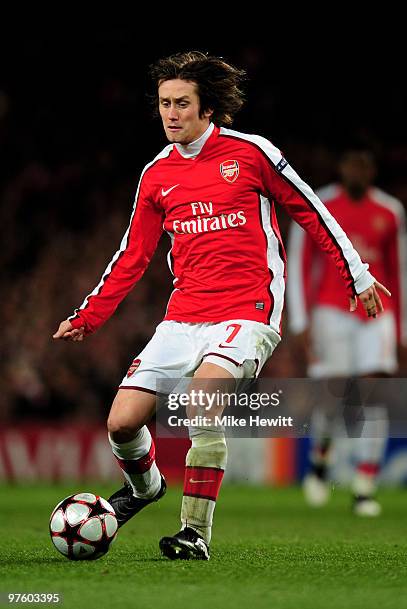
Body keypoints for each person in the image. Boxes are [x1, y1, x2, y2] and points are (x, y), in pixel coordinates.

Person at [53, 52, 390, 560]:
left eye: (182, 104)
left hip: (248, 308)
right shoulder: (157, 174)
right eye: (164, 103)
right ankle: (145, 489)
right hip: (183, 314)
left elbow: (310, 211)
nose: (171, 113)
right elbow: (133, 255)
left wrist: (356, 273)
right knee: (122, 422)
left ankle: (194, 533)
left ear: (206, 107)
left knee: (202, 398)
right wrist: (88, 316)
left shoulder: (251, 153)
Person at [287, 149, 406, 516]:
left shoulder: (389, 211)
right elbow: (299, 261)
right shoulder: (319, 203)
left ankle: (364, 487)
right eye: (352, 163)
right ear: (341, 168)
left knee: (372, 392)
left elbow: (398, 271)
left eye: (365, 165)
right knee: (333, 398)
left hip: (376, 313)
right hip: (331, 313)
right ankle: (321, 461)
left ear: (372, 170)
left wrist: (402, 332)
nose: (358, 171)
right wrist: (299, 322)